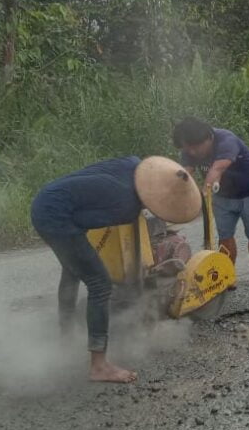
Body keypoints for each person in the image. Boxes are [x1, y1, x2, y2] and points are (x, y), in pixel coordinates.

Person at [31, 156, 201, 382]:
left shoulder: (133, 163)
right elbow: (84, 222)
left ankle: (66, 336)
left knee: (72, 269)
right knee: (100, 284)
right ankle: (99, 366)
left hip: (45, 198)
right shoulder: (126, 205)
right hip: (54, 217)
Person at [172, 118, 249, 292]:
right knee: (225, 236)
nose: (191, 151)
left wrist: (203, 195)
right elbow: (185, 175)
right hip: (223, 196)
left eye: (194, 146)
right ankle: (228, 275)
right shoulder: (190, 150)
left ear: (208, 138)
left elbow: (217, 170)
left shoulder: (226, 140)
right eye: (187, 148)